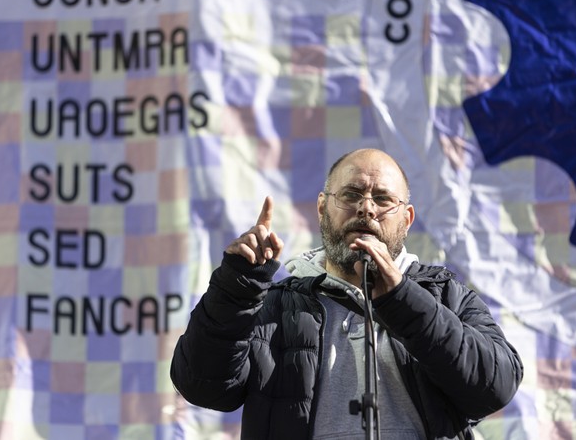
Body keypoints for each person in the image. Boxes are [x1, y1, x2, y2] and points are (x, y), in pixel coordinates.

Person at [170, 148, 523, 439]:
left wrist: (401, 300)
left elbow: (495, 386)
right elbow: (203, 385)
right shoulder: (276, 304)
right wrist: (238, 285)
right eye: (352, 194)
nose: (366, 207)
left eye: (383, 199)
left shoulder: (445, 295)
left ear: (407, 219)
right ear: (322, 207)